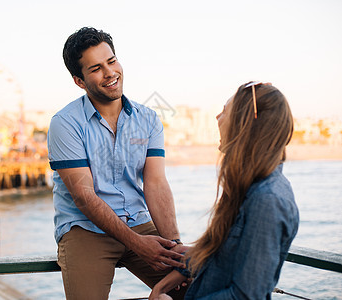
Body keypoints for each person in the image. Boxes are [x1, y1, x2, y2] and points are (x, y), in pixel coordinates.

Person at [47, 27, 188, 299]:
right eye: (97, 68)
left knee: (194, 288)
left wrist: (174, 245)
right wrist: (137, 245)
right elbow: (84, 196)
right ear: (79, 80)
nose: (110, 72)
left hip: (138, 221)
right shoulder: (64, 123)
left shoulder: (148, 118)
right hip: (85, 228)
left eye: (112, 61)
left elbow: (156, 183)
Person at [149, 82, 299, 299]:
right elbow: (227, 257)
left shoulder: (268, 200)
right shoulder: (247, 188)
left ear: (244, 124)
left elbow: (247, 295)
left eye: (225, 111)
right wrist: (169, 279)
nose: (217, 118)